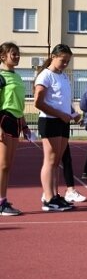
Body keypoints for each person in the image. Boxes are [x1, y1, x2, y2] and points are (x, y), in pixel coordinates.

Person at [35, 44, 80, 212]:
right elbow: (38, 103)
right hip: (50, 121)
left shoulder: (63, 76)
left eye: (68, 61)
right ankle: (48, 198)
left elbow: (63, 101)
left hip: (62, 121)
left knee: (56, 162)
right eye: (63, 60)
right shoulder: (45, 76)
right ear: (53, 56)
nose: (65, 64)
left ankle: (54, 195)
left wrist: (73, 113)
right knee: (50, 160)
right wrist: (60, 114)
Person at [0, 42, 29, 215]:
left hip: (16, 120)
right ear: (3, 57)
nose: (17, 56)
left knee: (8, 165)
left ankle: (3, 200)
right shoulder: (0, 76)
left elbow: (18, 104)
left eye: (18, 54)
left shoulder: (17, 77)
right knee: (3, 165)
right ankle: (1, 203)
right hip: (3, 119)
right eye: (13, 54)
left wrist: (24, 124)